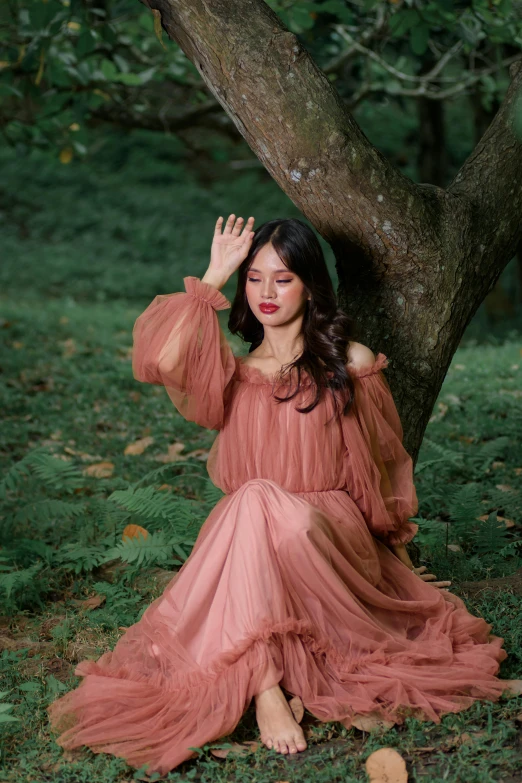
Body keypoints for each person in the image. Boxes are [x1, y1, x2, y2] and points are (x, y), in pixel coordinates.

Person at [47, 215, 520, 776]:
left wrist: (392, 558)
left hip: (323, 530)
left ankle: (261, 680)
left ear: (311, 287)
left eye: (284, 278)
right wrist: (214, 274)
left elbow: (377, 472)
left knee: (255, 502)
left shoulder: (352, 365)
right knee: (250, 502)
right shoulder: (234, 373)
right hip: (254, 533)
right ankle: (266, 684)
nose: (266, 292)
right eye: (255, 278)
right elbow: (164, 362)